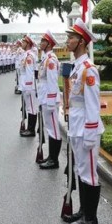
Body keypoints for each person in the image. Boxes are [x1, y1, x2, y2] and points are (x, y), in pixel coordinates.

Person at [63, 18, 104, 224]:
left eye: (71, 38)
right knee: (81, 170)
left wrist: (90, 133)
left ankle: (91, 218)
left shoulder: (89, 70)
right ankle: (83, 209)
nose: (67, 41)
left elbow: (92, 105)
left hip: (87, 129)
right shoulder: (77, 67)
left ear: (80, 42)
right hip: (76, 127)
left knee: (89, 173)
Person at [38, 30, 62, 170]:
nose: (40, 43)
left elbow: (53, 81)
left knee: (54, 130)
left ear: (48, 44)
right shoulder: (46, 58)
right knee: (50, 128)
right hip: (45, 98)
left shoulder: (51, 59)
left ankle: (54, 160)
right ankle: (51, 157)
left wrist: (52, 102)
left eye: (43, 41)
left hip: (49, 99)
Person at [19, 35, 38, 137]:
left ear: (28, 44)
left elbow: (30, 73)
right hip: (25, 84)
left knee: (31, 108)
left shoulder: (29, 56)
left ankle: (31, 130)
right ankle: (29, 128)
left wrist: (28, 87)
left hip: (28, 86)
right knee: (29, 107)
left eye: (23, 42)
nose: (22, 43)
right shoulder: (26, 54)